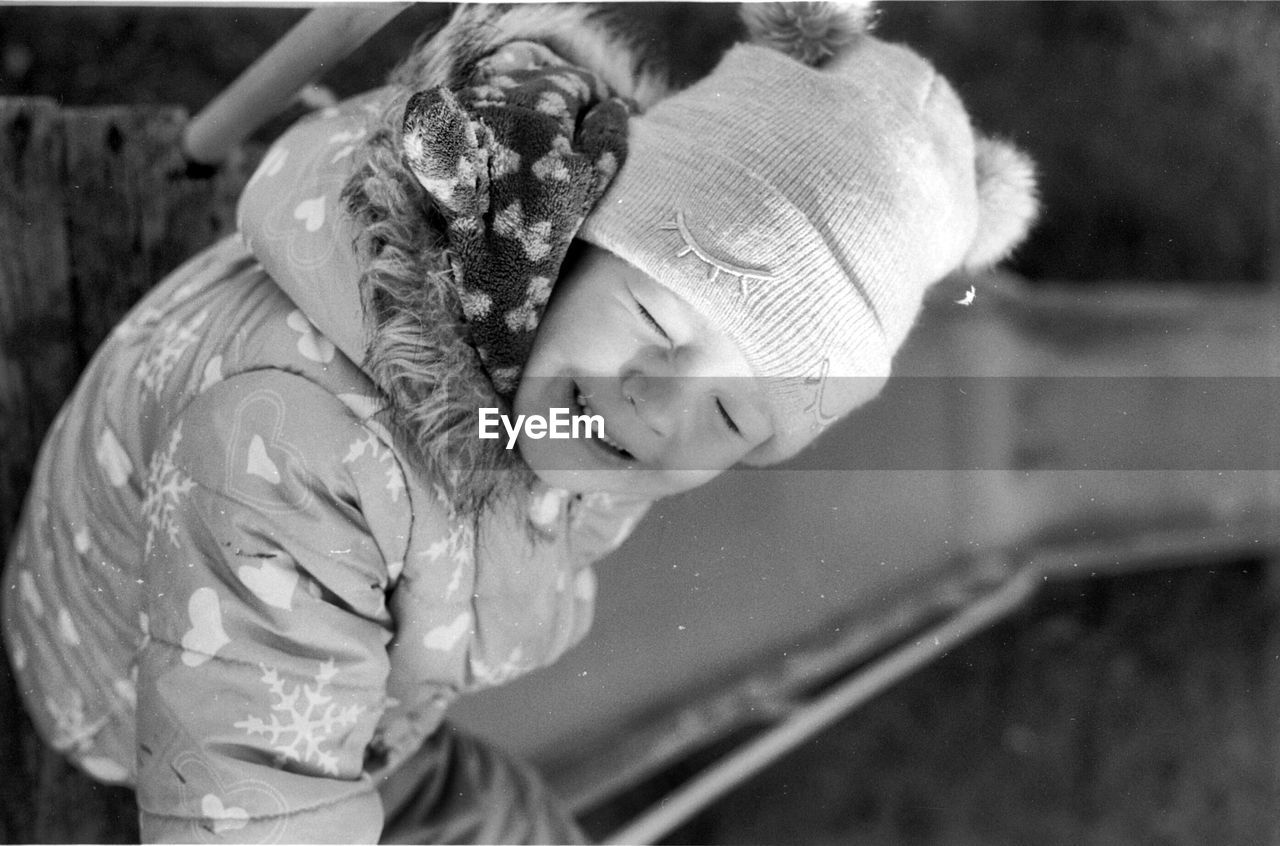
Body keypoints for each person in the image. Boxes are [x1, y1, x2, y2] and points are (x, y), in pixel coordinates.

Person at [1, 2, 1038, 842]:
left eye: (731, 412)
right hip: (128, 690)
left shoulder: (538, 384)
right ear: (573, 237)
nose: (657, 399)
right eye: (654, 314)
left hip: (350, 687)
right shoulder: (305, 443)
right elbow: (248, 788)